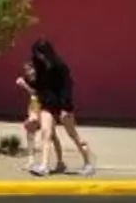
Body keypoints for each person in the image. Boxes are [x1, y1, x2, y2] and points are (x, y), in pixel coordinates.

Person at [28, 39, 95, 177]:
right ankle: (44, 166)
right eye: (36, 53)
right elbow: (39, 88)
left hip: (63, 105)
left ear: (46, 52)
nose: (38, 56)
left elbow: (67, 87)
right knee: (46, 133)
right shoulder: (38, 67)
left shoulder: (60, 66)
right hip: (47, 105)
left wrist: (65, 108)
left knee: (73, 135)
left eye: (39, 53)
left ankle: (88, 163)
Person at [15, 61, 59, 170]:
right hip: (34, 106)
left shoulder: (41, 80)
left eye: (30, 69)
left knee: (52, 135)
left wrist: (24, 86)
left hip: (46, 108)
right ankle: (31, 160)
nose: (28, 72)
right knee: (30, 130)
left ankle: (60, 160)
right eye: (26, 70)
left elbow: (35, 93)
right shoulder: (29, 80)